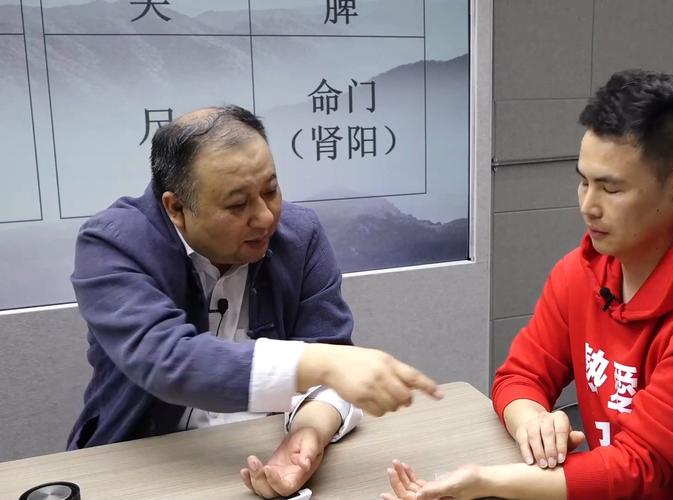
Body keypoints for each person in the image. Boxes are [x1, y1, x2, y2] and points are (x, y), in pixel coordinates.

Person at [383, 70, 673, 499]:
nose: (588, 206)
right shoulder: (580, 274)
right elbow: (521, 375)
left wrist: (486, 482)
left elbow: (636, 467)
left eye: (610, 189)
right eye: (583, 182)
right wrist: (531, 420)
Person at [67, 105, 442, 499]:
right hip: (141, 467)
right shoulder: (112, 244)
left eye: (271, 191)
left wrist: (310, 432)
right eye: (237, 205)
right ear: (176, 208)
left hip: (260, 457)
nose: (265, 218)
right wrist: (321, 363)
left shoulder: (300, 236)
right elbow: (167, 360)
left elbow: (330, 356)